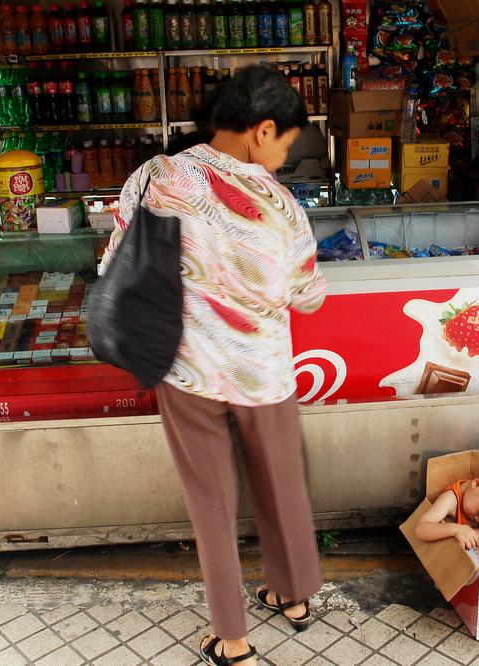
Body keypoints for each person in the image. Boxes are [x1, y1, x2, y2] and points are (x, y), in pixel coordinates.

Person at [100, 65, 327, 666]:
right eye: (285, 143)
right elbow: (308, 294)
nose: (282, 157)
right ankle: (294, 596)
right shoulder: (280, 203)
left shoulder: (156, 177)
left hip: (188, 370)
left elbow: (113, 265)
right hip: (264, 373)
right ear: (262, 130)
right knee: (282, 484)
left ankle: (233, 639)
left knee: (212, 505)